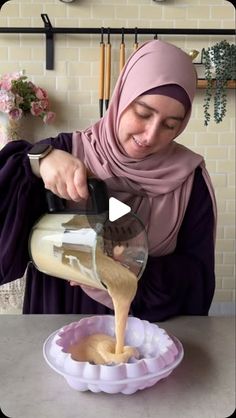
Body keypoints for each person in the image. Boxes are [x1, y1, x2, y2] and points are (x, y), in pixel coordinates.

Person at [0, 39, 217, 321]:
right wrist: (35, 163)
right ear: (122, 98)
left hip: (145, 329)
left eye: (169, 125)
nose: (150, 135)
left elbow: (197, 282)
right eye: (143, 113)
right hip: (61, 316)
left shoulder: (189, 178)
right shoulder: (64, 152)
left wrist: (123, 268)